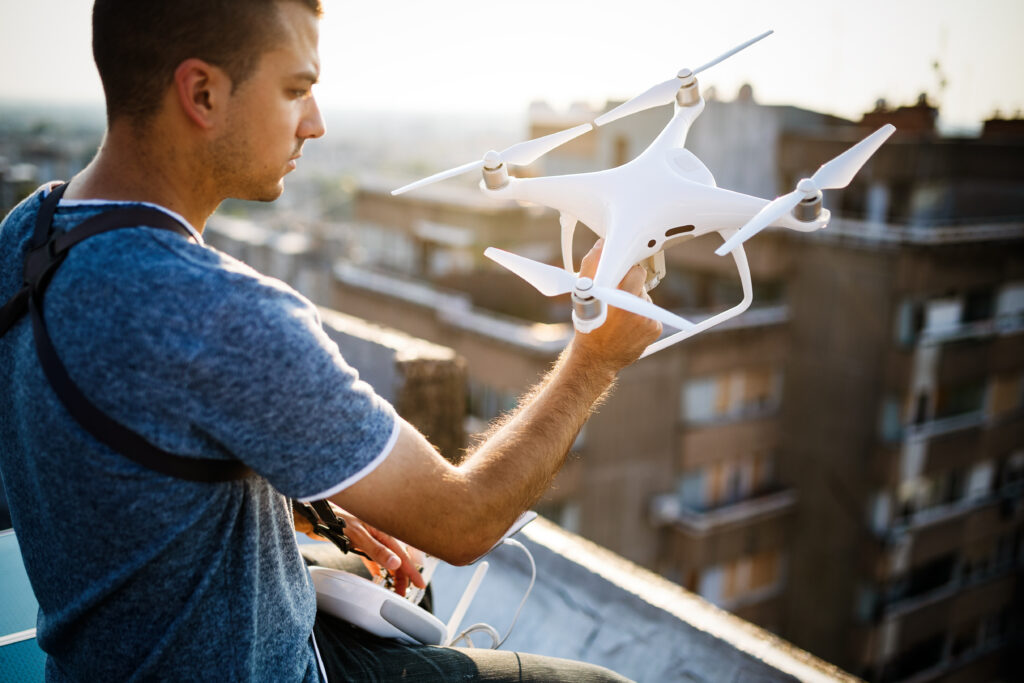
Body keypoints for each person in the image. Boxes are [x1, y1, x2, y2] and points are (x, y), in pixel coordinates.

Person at [0, 1, 661, 681]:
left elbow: (121, 439)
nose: (315, 124)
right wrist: (594, 357)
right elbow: (467, 520)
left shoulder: (31, 231)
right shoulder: (223, 314)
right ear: (201, 93)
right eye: (295, 90)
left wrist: (310, 494)